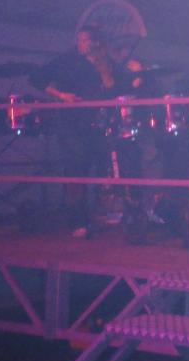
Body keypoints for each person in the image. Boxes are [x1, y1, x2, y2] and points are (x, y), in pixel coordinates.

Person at [31, 26, 138, 237]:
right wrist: (61, 95)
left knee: (101, 169)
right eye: (79, 40)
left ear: (96, 42)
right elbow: (36, 78)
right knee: (76, 172)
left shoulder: (106, 64)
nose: (81, 44)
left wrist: (136, 76)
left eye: (85, 40)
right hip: (73, 125)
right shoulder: (67, 62)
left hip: (99, 125)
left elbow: (121, 88)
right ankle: (76, 221)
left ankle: (102, 215)